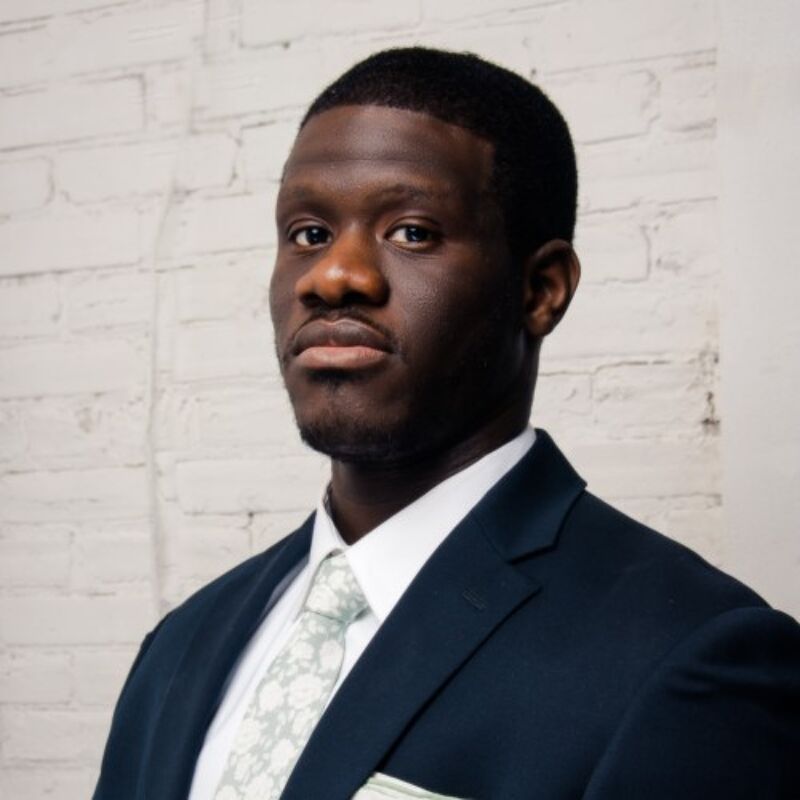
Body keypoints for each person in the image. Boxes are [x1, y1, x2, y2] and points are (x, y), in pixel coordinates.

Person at [93, 48, 800, 800]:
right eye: (308, 234)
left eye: (412, 232)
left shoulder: (688, 657)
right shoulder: (180, 647)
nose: (333, 276)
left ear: (540, 290)